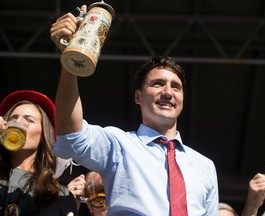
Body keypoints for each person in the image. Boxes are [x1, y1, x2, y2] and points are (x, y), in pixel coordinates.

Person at [50, 5, 219, 215]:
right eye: (158, 84)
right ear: (138, 97)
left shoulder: (205, 166)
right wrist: (71, 61)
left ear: (183, 99)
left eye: (175, 87)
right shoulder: (118, 145)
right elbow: (71, 135)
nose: (168, 92)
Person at [0, 90, 78, 216]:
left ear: (43, 135)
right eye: (13, 118)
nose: (18, 122)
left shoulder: (60, 195)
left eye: (29, 120)